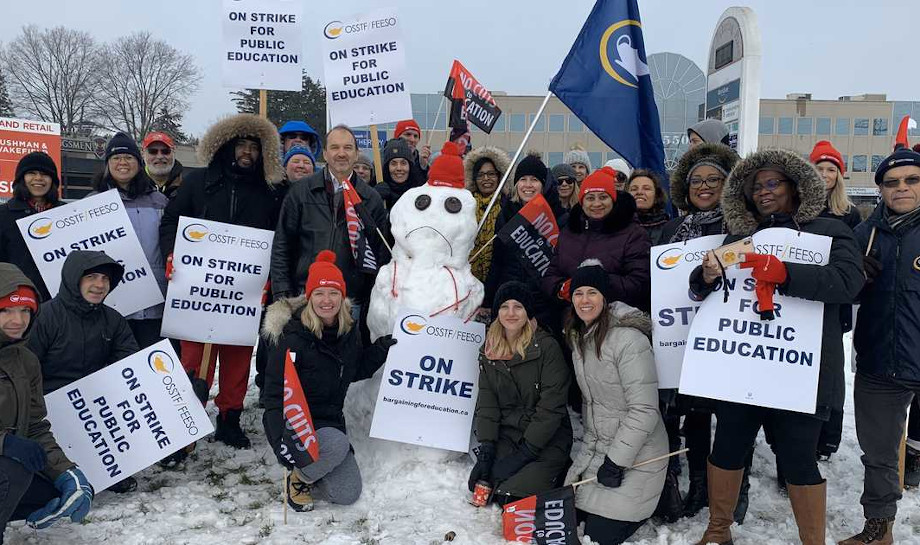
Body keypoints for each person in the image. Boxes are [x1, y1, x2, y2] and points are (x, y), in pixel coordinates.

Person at [690, 148, 863, 545]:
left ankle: (812, 540)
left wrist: (786, 273)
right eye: (755, 188)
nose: (764, 193)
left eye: (773, 184)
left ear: (795, 186)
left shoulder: (828, 231)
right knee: (727, 447)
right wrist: (705, 275)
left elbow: (848, 283)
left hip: (799, 370)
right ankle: (719, 530)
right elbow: (702, 291)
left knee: (799, 458)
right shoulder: (739, 238)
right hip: (744, 368)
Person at [160, 113, 286, 450]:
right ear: (226, 147)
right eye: (241, 146)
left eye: (253, 148)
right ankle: (187, 419)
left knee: (237, 359)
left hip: (243, 294)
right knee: (193, 358)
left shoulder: (269, 191)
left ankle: (229, 417)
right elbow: (171, 221)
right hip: (197, 290)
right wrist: (173, 255)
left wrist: (267, 278)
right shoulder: (196, 182)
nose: (247, 153)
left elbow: (277, 239)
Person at [262, 251, 395, 512]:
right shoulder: (292, 337)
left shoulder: (347, 332)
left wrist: (380, 349)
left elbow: (352, 370)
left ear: (342, 297)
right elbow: (273, 394)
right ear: (309, 297)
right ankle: (299, 479)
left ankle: (312, 469)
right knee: (337, 443)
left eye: (333, 293)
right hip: (297, 426)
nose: (326, 300)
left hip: (329, 425)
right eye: (319, 294)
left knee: (348, 493)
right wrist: (281, 442)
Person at [657, 143, 744, 520]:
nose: (704, 186)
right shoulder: (672, 228)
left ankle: (736, 489)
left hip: (729, 335)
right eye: (697, 181)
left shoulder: (742, 227)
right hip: (683, 334)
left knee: (732, 418)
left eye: (714, 180)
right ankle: (699, 484)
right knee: (693, 415)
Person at [840, 147, 920, 545]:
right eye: (892, 183)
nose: (901, 188)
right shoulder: (863, 235)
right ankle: (879, 527)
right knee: (878, 455)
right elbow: (840, 292)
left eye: (911, 180)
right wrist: (856, 280)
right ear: (880, 190)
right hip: (879, 361)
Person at [563, 260, 667, 545]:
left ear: (605, 297)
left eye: (592, 292)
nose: (585, 300)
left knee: (597, 537)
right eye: (578, 293)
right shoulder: (580, 337)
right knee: (567, 523)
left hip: (638, 455)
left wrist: (615, 462)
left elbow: (644, 410)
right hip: (601, 452)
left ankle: (655, 504)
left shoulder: (629, 341)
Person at [27, 251, 140, 493]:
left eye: (105, 279)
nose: (99, 285)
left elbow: (130, 365)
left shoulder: (113, 320)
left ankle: (111, 469)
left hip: (96, 404)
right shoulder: (45, 317)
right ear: (73, 278)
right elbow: (26, 370)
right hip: (49, 406)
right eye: (92, 277)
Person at [0, 264, 94, 541]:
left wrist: (67, 473)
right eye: (6, 310)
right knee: (13, 471)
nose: (18, 319)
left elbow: (35, 426)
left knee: (53, 489)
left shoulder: (25, 360)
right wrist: (6, 443)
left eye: (25, 310)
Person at [271, 124, 389, 319]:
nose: (341, 153)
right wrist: (283, 295)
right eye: (335, 147)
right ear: (325, 153)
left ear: (357, 153)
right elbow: (282, 246)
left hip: (350, 304)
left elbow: (380, 254)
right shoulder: (301, 192)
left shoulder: (371, 199)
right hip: (304, 298)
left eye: (348, 148)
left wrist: (370, 302)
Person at [469, 281, 572, 504]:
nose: (511, 313)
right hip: (509, 436)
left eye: (519, 307)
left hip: (544, 439)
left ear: (528, 312)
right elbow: (488, 403)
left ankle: (559, 470)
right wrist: (486, 449)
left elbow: (551, 407)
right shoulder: (489, 349)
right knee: (490, 485)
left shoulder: (546, 347)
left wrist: (526, 452)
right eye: (505, 306)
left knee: (514, 497)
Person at [807, 140, 860, 466]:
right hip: (802, 297)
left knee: (830, 374)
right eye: (820, 168)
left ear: (839, 176)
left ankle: (828, 437)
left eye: (831, 169)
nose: (826, 174)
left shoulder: (849, 214)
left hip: (834, 302)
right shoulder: (800, 209)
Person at [91, 132, 168, 348]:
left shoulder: (159, 202)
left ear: (138, 162)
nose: (122, 163)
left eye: (129, 157)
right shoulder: (92, 202)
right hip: (111, 300)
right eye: (116, 158)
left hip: (154, 300)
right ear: (107, 164)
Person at [543, 166, 651, 313]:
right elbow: (551, 275)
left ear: (613, 199)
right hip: (572, 320)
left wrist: (598, 282)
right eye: (590, 198)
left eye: (603, 197)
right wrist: (561, 288)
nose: (596, 204)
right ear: (582, 202)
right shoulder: (569, 232)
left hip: (615, 319)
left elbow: (640, 283)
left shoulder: (634, 234)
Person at [485, 154, 564, 328]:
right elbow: (497, 262)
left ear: (543, 185)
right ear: (516, 184)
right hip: (509, 297)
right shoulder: (506, 214)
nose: (528, 185)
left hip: (543, 303)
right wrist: (488, 299)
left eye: (534, 180)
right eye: (523, 179)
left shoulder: (558, 216)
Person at [0, 151, 63, 301]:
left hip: (60, 302)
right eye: (32, 173)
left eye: (45, 174)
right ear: (22, 179)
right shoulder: (3, 215)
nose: (38, 178)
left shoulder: (67, 213)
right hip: (17, 302)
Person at [465, 146, 512, 284]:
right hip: (468, 279)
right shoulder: (465, 205)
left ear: (499, 176)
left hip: (499, 278)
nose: (486, 179)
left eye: (491, 174)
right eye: (480, 175)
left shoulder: (508, 206)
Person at [375, 138, 425, 210]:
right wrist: (374, 198)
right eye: (393, 163)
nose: (399, 168)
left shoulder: (421, 192)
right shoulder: (376, 190)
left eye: (403, 163)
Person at [627, 169, 670, 245]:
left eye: (646, 188)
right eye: (634, 189)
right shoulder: (615, 228)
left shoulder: (671, 229)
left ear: (656, 196)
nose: (639, 192)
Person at [142, 131, 184, 200]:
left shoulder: (188, 187)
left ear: (173, 152)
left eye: (165, 151)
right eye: (153, 151)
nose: (160, 156)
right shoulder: (131, 187)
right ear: (143, 153)